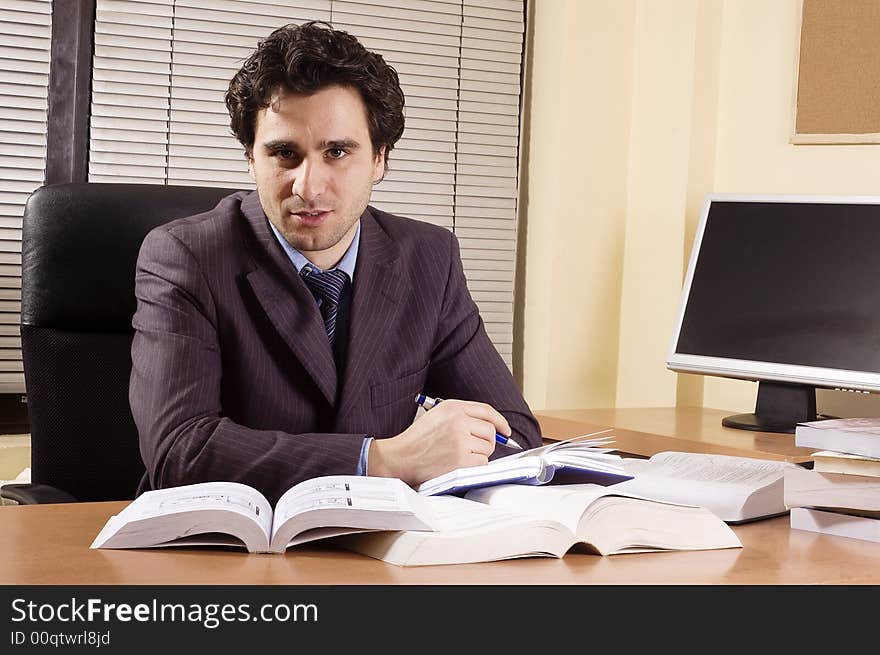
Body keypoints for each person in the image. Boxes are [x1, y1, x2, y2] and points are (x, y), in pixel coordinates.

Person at [130, 21, 541, 504]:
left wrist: (452, 444)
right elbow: (179, 451)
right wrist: (381, 460)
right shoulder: (186, 257)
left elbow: (513, 436)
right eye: (284, 153)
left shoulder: (429, 258)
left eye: (338, 151)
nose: (309, 186)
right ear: (251, 159)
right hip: (227, 546)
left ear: (380, 159)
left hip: (388, 549)